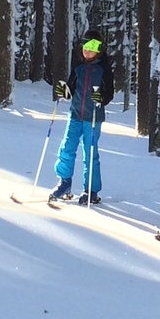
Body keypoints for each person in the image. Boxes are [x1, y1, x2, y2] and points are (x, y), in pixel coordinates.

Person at [49, 29, 115, 205]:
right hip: (75, 115)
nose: (88, 50)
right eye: (85, 46)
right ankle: (65, 182)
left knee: (90, 153)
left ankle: (91, 190)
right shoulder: (78, 67)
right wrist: (63, 90)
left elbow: (109, 93)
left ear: (99, 49)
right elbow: (70, 90)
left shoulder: (103, 69)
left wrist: (102, 97)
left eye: (92, 46)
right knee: (67, 148)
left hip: (93, 118)